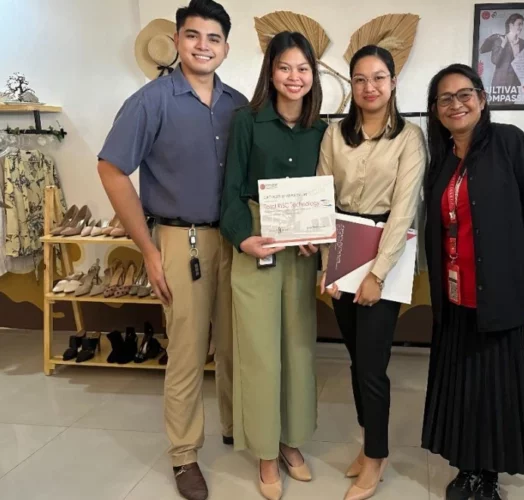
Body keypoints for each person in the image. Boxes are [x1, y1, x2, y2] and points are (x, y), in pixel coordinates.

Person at [97, 1, 247, 499]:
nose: (203, 45)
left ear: (226, 46)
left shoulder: (238, 104)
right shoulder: (151, 100)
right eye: (193, 35)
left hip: (235, 239)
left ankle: (234, 425)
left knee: (233, 341)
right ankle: (184, 455)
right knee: (186, 349)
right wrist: (148, 248)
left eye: (214, 37)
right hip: (181, 241)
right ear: (179, 41)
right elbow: (112, 169)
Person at [420, 63, 524, 500]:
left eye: (465, 94)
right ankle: (467, 468)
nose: (456, 104)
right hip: (456, 301)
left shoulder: (511, 144)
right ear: (436, 111)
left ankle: (489, 476)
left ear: (481, 99)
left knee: (496, 391)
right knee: (463, 391)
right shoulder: (440, 160)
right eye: (445, 99)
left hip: (504, 300)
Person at [220, 31, 326, 500]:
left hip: (301, 252)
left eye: (303, 68)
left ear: (313, 75)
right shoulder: (247, 120)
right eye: (285, 67)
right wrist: (243, 237)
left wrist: (318, 241)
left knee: (298, 347)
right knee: (261, 351)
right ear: (271, 71)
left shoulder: (323, 130)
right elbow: (231, 188)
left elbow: (329, 195)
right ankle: (265, 452)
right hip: (257, 243)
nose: (294, 77)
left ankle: (290, 441)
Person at [318, 45, 426, 500]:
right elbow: (323, 195)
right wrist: (328, 260)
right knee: (355, 357)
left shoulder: (410, 138)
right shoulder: (335, 135)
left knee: (372, 365)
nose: (369, 87)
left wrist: (377, 273)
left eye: (378, 78)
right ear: (352, 85)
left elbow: (403, 211)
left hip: (387, 251)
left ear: (394, 82)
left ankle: (377, 457)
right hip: (343, 247)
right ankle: (367, 445)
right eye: (360, 79)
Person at [481, 13, 524, 95]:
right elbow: (495, 61)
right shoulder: (500, 40)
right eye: (519, 24)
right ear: (511, 25)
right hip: (500, 83)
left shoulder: (522, 43)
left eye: (522, 24)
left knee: (511, 107)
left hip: (514, 85)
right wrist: (503, 45)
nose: (521, 27)